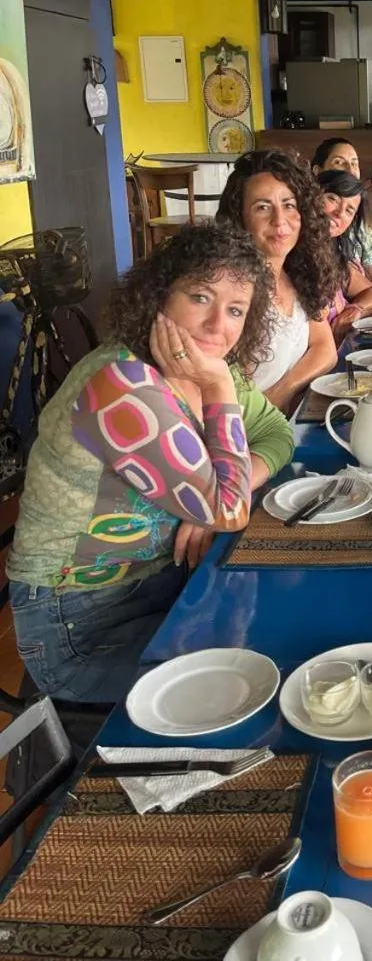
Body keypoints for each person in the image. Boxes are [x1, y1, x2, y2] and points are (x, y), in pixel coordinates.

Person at [8, 223, 294, 703]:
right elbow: (226, 511)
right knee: (254, 680)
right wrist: (220, 387)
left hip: (168, 583)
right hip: (80, 626)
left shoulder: (195, 368)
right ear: (159, 296)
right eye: (200, 297)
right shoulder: (120, 383)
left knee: (289, 622)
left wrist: (224, 489)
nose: (218, 325)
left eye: (236, 310)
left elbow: (277, 435)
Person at [217, 150, 339, 413]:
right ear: (240, 218)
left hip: (287, 422)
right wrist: (271, 409)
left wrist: (284, 391)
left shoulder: (298, 271)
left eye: (289, 205)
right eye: (262, 207)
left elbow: (325, 348)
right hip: (248, 438)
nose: (279, 220)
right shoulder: (230, 288)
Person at [315, 168, 372, 343]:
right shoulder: (287, 256)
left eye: (349, 210)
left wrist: (356, 309)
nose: (339, 213)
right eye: (332, 199)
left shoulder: (331, 256)